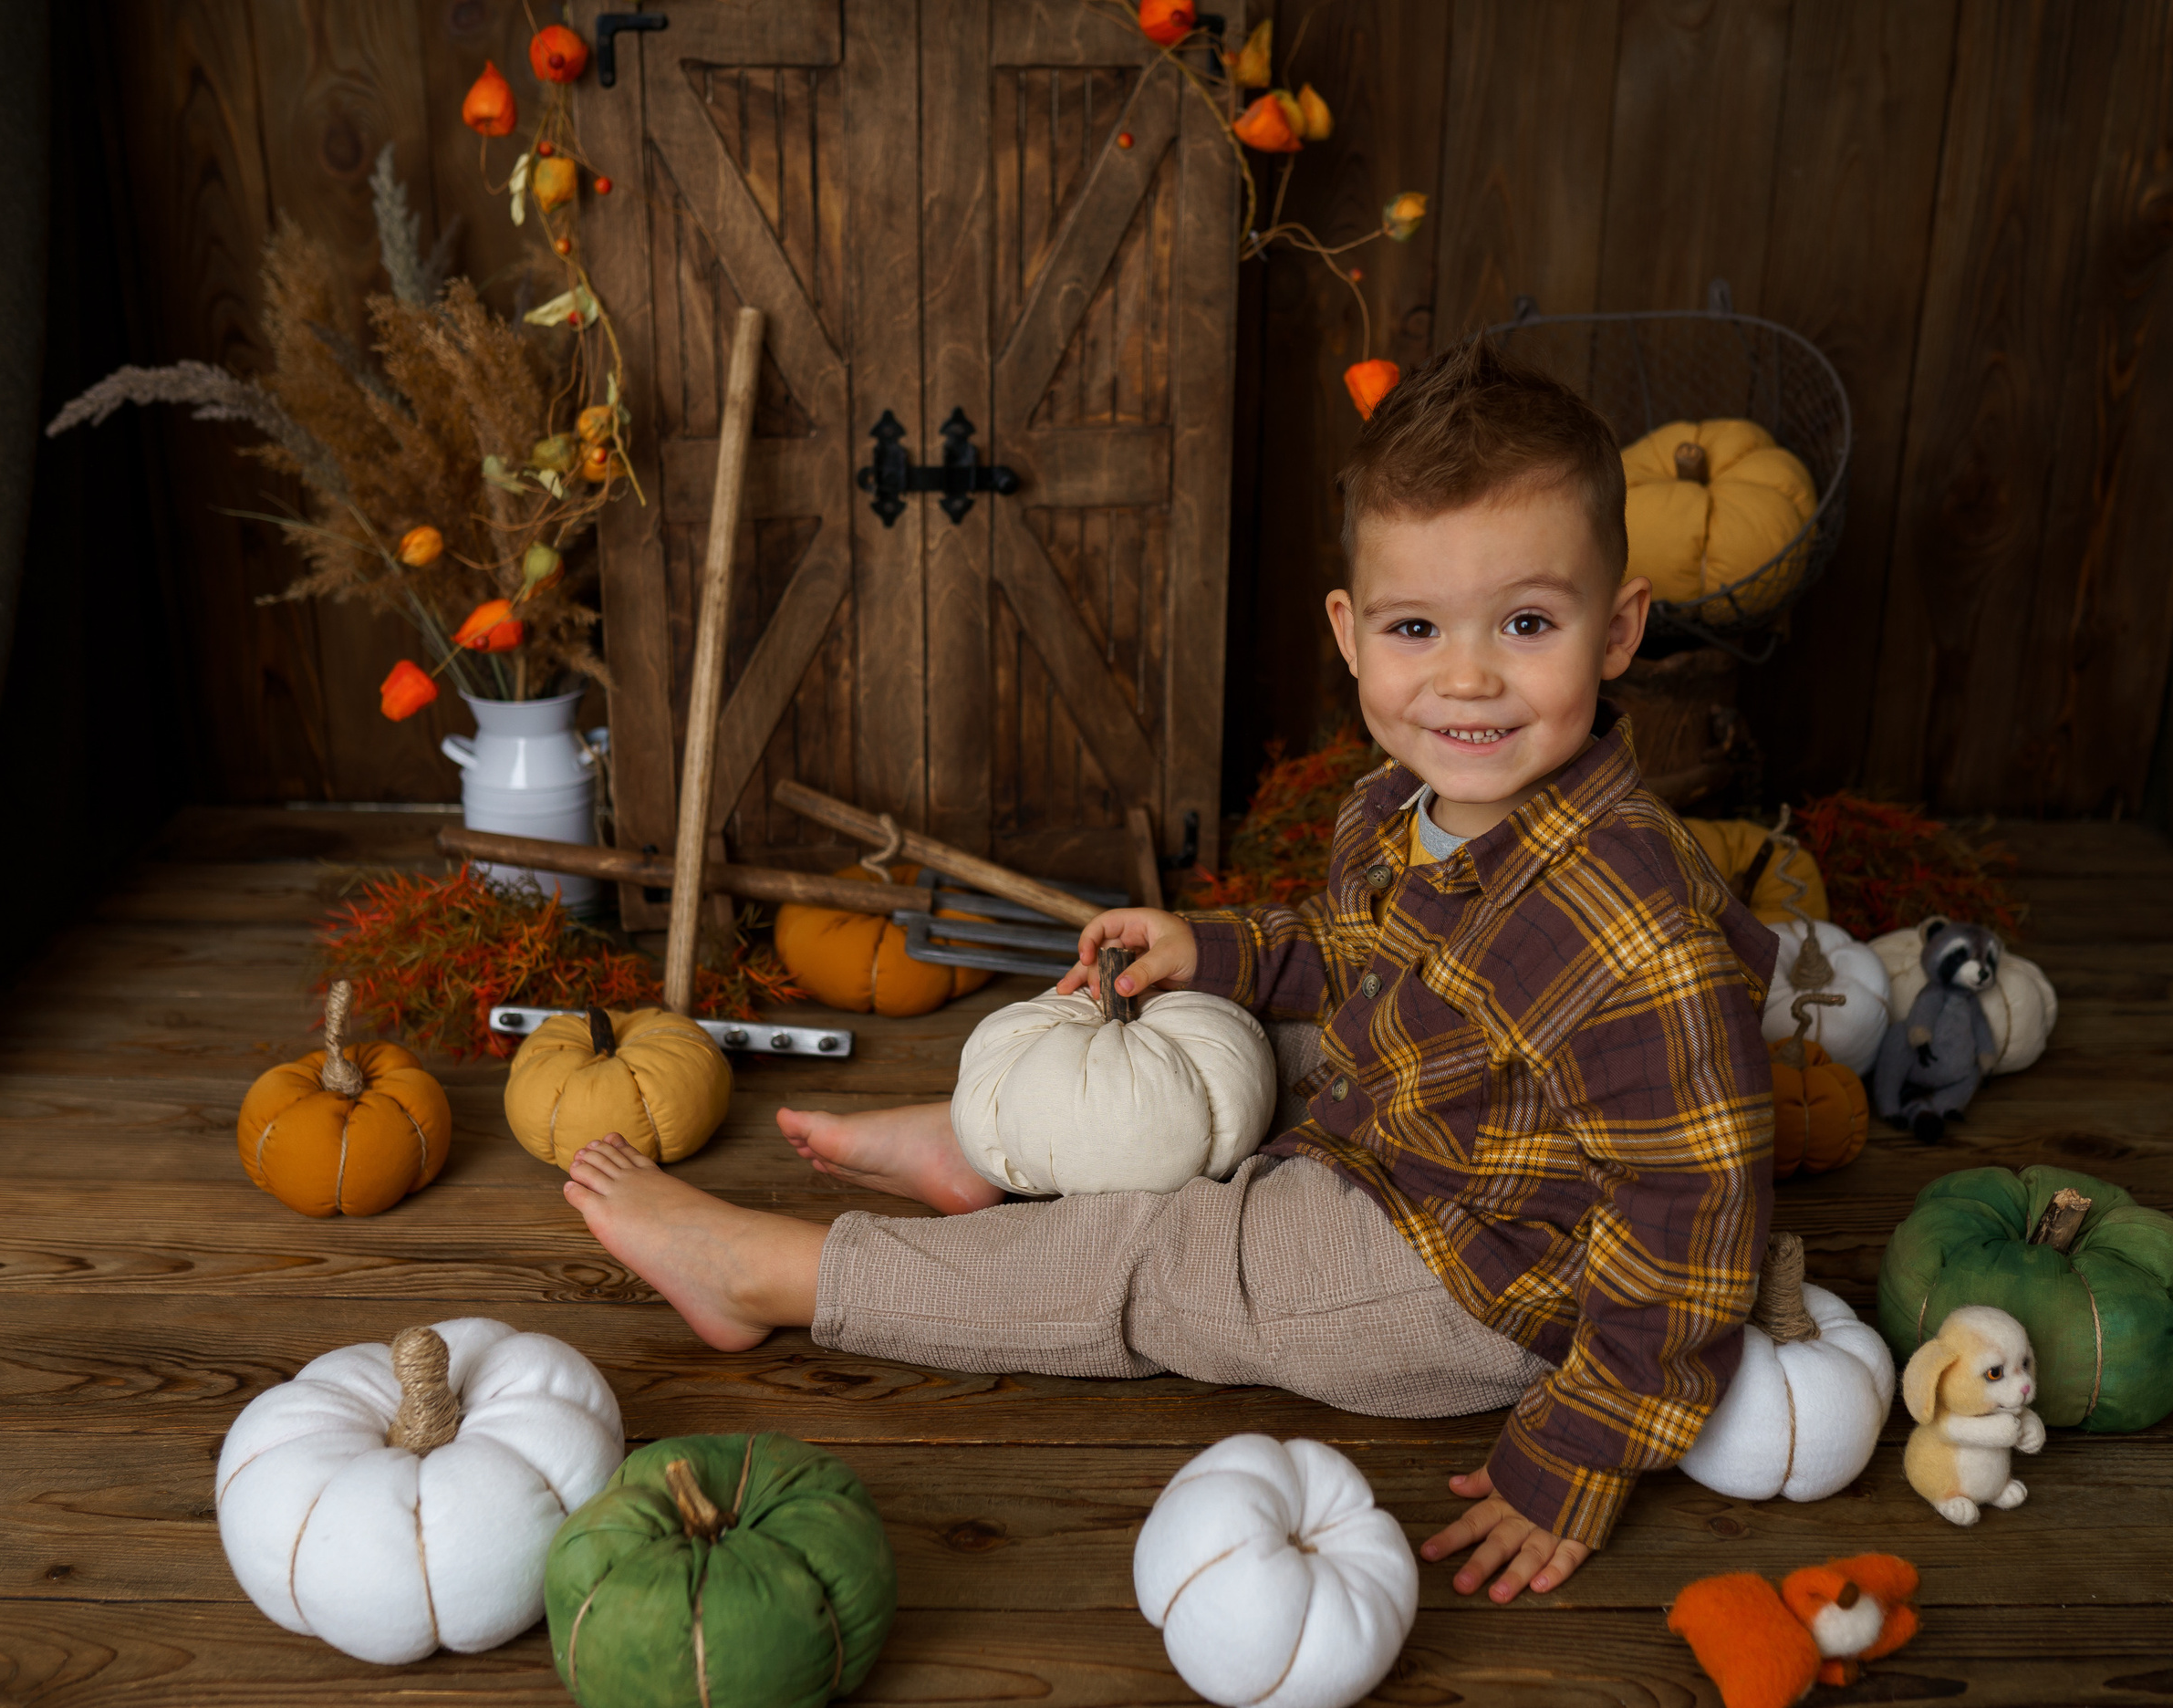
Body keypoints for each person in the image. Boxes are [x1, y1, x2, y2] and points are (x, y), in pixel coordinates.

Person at [561, 337, 1777, 1603]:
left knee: (1163, 1261)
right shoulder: (1414, 798)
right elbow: (1369, 948)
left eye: (1527, 623)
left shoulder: (1629, 930)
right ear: (1353, 636)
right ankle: (987, 1144)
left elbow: (1694, 1220)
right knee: (1211, 1021)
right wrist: (1224, 949)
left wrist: (1576, 1455)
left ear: (1620, 627)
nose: (1468, 678)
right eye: (1420, 627)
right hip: (1429, 1121)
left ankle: (778, 1276)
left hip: (1475, 1280)